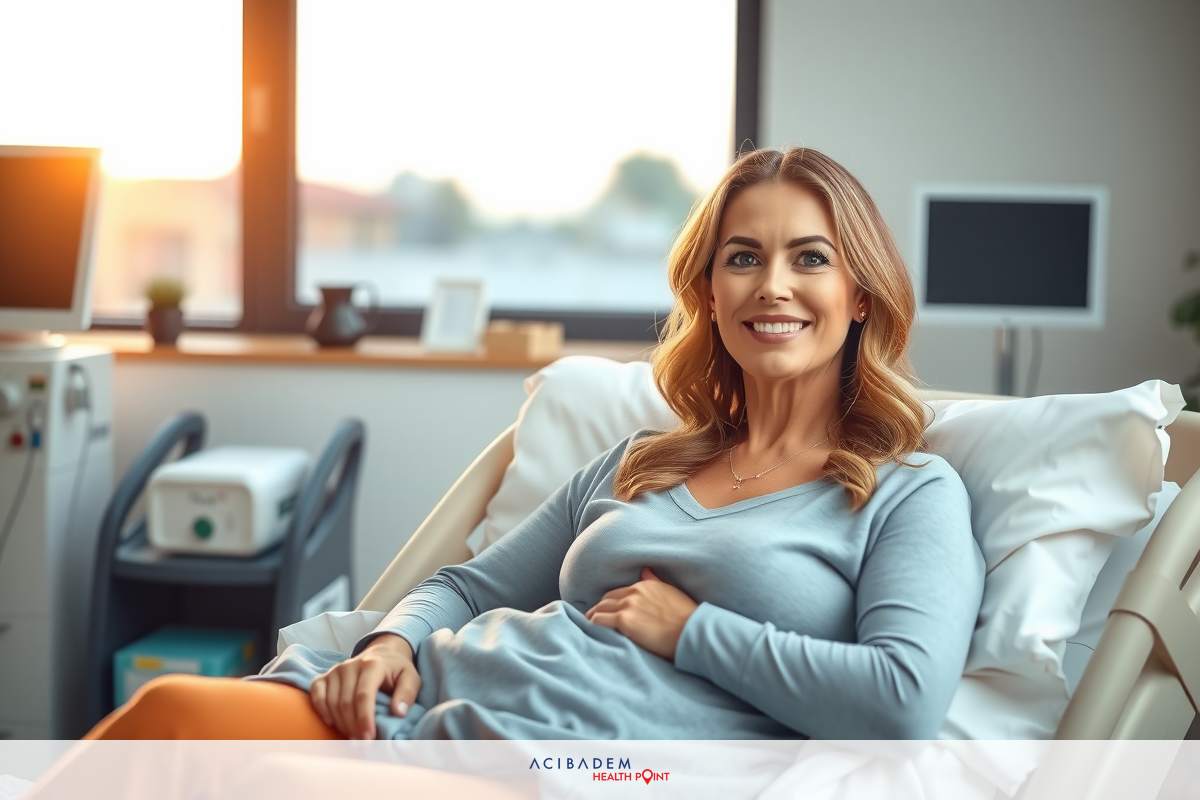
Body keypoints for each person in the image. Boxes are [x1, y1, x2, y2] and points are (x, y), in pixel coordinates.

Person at [86, 147, 984, 741]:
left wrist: (693, 631)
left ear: (862, 295)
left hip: (555, 763)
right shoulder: (640, 461)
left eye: (811, 258)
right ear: (709, 290)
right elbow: (465, 587)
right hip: (416, 704)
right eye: (742, 257)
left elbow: (901, 700)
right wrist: (390, 645)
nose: (771, 286)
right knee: (165, 720)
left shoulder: (907, 492)